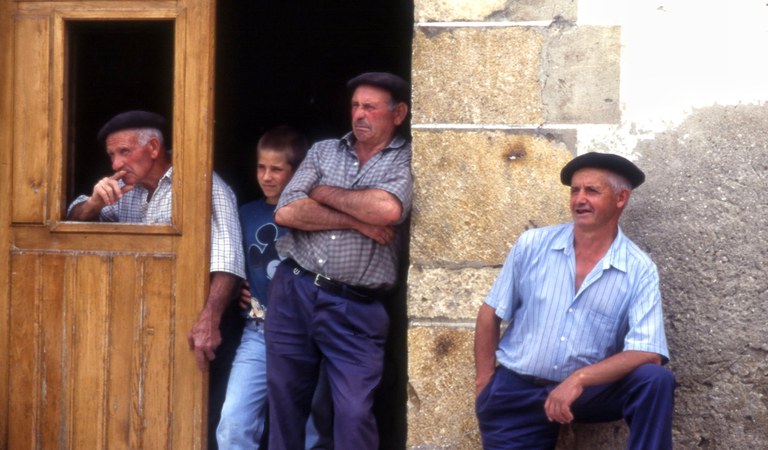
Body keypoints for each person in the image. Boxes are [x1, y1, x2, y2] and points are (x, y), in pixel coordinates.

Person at [474, 152, 676, 450]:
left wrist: (580, 378)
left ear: (621, 198)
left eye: (592, 191)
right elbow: (490, 313)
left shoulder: (638, 267)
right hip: (517, 390)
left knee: (654, 379)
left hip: (588, 392)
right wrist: (484, 382)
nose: (580, 199)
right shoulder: (533, 245)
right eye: (575, 190)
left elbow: (648, 352)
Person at [264, 72, 412, 450]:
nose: (359, 115)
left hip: (355, 306)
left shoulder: (407, 157)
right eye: (355, 106)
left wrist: (322, 191)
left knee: (353, 413)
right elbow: (286, 212)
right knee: (284, 403)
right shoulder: (323, 151)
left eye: (370, 108)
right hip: (294, 290)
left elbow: (387, 208)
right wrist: (355, 220)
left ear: (398, 114)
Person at [66, 110, 245, 372]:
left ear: (152, 148)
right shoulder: (124, 190)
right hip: (136, 325)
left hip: (193, 328)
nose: (116, 164)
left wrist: (210, 319)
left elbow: (229, 259)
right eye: (112, 155)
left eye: (124, 152)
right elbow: (72, 221)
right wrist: (93, 204)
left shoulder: (202, 184)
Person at [216, 126, 332, 449]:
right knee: (233, 423)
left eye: (277, 169)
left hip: (308, 334)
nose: (266, 176)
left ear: (297, 171)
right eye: (261, 167)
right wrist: (239, 283)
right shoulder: (247, 214)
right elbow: (231, 259)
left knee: (310, 427)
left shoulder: (313, 215)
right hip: (259, 332)